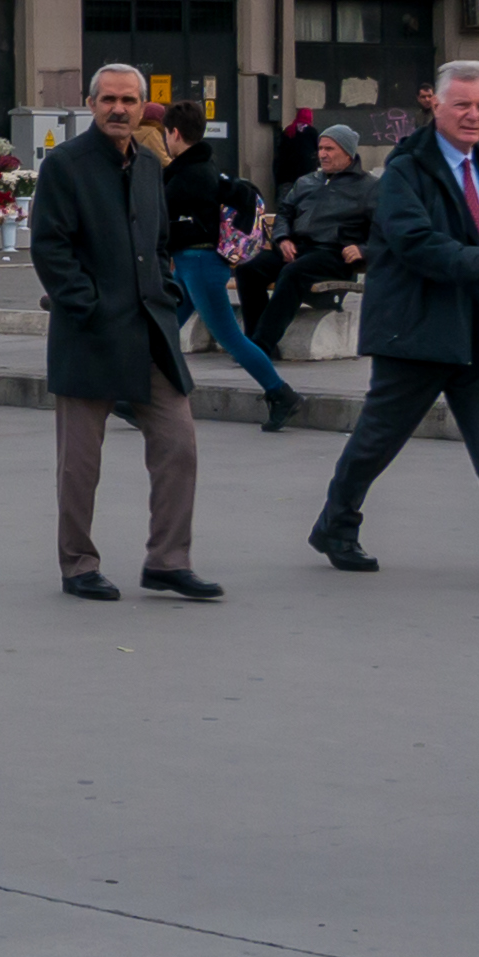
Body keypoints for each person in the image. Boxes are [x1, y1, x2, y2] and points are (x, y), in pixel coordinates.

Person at [308, 63, 479, 587]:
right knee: (377, 440)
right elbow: (411, 238)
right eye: (463, 105)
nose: (473, 116)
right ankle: (335, 524)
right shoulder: (407, 169)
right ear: (437, 105)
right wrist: (478, 264)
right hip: (418, 330)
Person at [28, 65, 218, 603]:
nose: (118, 108)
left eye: (128, 100)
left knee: (178, 443)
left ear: (142, 108)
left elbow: (158, 243)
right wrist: (86, 304)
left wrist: (166, 290)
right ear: (91, 104)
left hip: (149, 330)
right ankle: (78, 564)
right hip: (88, 333)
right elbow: (50, 248)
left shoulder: (152, 166)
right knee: (80, 464)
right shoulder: (66, 165)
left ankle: (168, 561)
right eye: (108, 99)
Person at [159, 100, 298, 430]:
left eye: (165, 133)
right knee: (161, 330)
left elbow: (160, 221)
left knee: (231, 338)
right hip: (194, 265)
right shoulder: (201, 168)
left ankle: (281, 394)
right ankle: (141, 397)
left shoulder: (187, 176)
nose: (165, 139)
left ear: (174, 133)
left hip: (200, 265)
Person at [239, 123, 376, 360]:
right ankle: (259, 342)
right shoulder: (306, 181)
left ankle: (260, 345)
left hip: (334, 254)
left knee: (293, 273)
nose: (322, 154)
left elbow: (388, 230)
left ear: (348, 152)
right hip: (299, 248)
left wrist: (364, 249)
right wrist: (282, 238)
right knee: (248, 270)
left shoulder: (370, 187)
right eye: (321, 148)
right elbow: (284, 213)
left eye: (330, 149)